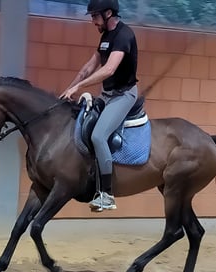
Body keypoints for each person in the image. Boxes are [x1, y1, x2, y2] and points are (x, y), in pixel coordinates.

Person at [60, 0, 138, 212]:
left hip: (123, 96)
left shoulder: (124, 35)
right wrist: (70, 88)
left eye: (94, 16)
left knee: (98, 136)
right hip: (107, 95)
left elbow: (109, 70)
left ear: (108, 13)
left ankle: (107, 194)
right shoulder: (106, 37)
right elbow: (89, 67)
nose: (92, 21)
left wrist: (80, 87)